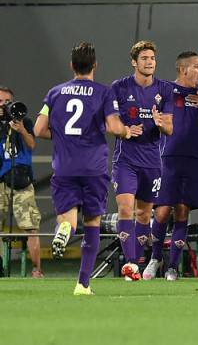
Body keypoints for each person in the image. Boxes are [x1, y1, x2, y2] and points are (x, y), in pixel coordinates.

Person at [34, 42, 132, 295]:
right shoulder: (104, 92)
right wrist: (125, 130)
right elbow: (113, 126)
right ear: (95, 65)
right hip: (93, 167)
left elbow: (38, 130)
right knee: (92, 223)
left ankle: (64, 228)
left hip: (65, 166)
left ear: (72, 66)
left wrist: (65, 137)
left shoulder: (55, 93)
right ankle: (83, 284)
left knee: (67, 216)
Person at [142, 51, 198, 281]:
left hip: (192, 160)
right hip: (167, 159)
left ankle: (173, 266)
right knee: (163, 211)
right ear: (183, 69)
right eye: (197, 66)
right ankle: (155, 258)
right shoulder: (165, 89)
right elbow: (148, 109)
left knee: (183, 211)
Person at [111, 40, 174, 281]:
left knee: (144, 215)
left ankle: (137, 261)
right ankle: (129, 266)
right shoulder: (119, 87)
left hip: (151, 161)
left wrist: (161, 123)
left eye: (152, 58)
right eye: (145, 58)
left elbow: (170, 128)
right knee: (126, 208)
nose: (149, 62)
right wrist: (125, 130)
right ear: (134, 62)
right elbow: (111, 123)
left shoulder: (164, 89)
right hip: (125, 160)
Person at [0, 86, 43, 278]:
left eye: (7, 101)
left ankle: (37, 270)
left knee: (31, 226)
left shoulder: (24, 120)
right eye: (0, 101)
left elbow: (32, 144)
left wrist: (22, 130)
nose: (4, 105)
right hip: (1, 179)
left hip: (23, 179)